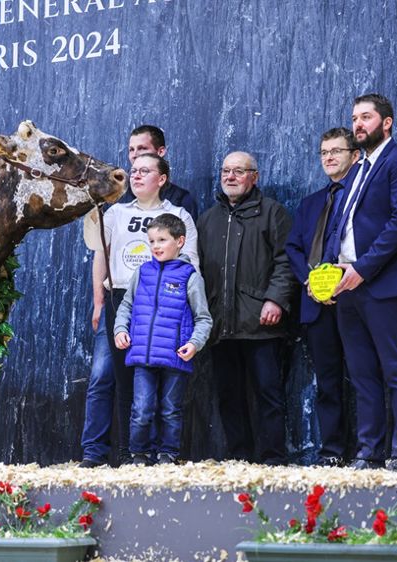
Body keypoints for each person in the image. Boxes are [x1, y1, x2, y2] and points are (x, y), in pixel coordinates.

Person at [80, 125, 195, 468]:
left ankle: (155, 452)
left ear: (162, 177)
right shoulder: (115, 213)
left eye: (145, 170)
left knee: (156, 380)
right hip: (119, 299)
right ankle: (101, 453)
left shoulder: (179, 214)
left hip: (163, 302)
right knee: (109, 376)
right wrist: (99, 300)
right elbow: (101, 253)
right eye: (133, 170)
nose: (135, 175)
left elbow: (192, 265)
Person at [327, 93, 397, 470]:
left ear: (387, 123)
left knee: (396, 369)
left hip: (381, 283)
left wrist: (363, 269)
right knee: (362, 373)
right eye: (354, 118)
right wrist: (331, 269)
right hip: (347, 283)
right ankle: (369, 451)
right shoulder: (356, 168)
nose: (358, 124)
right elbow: (342, 225)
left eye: (366, 117)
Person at [197, 151, 296, 465]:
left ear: (255, 176)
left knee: (268, 394)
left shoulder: (273, 213)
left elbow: (286, 262)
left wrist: (276, 299)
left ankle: (273, 460)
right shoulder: (208, 219)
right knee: (228, 396)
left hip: (261, 323)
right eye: (226, 170)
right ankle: (239, 458)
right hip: (219, 324)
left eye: (238, 171)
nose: (230, 176)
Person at [285, 128, 360, 466]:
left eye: (337, 151)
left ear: (355, 155)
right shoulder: (311, 202)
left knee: (366, 377)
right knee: (327, 382)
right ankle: (332, 451)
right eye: (324, 152)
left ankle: (371, 450)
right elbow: (293, 248)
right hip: (317, 305)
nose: (329, 157)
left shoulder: (364, 197)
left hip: (357, 299)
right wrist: (310, 283)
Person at [113, 214, 213, 465]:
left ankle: (168, 454)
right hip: (143, 356)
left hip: (174, 356)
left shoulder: (190, 277)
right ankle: (139, 454)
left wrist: (194, 343)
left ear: (180, 241)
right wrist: (120, 330)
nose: (155, 246)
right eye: (151, 241)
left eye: (162, 240)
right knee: (141, 410)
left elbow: (204, 318)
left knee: (170, 410)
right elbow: (126, 305)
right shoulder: (142, 272)